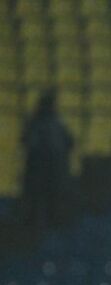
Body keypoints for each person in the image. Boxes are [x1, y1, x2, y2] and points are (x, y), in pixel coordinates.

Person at [20, 91, 73, 228]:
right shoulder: (43, 123)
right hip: (42, 171)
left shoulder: (52, 123)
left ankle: (48, 224)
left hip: (49, 172)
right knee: (39, 202)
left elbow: (68, 142)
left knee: (48, 202)